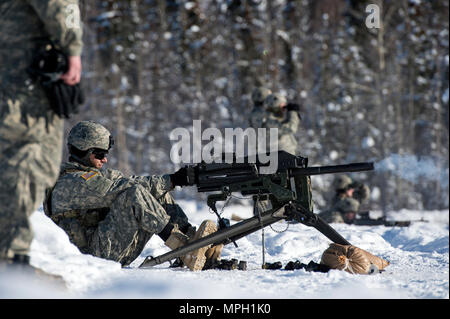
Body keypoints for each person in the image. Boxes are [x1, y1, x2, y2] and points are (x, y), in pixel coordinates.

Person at [43, 121, 222, 271]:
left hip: (107, 246)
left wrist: (176, 179)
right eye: (99, 154)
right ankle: (185, 249)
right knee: (134, 194)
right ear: (83, 151)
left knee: (154, 193)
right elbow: (127, 189)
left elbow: (137, 183)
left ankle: (196, 242)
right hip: (94, 257)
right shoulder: (73, 183)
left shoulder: (92, 176)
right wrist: (173, 179)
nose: (104, 159)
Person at [0, 0, 83, 268]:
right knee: (29, 158)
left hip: (15, 71)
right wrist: (72, 50)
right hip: (23, 80)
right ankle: (10, 261)